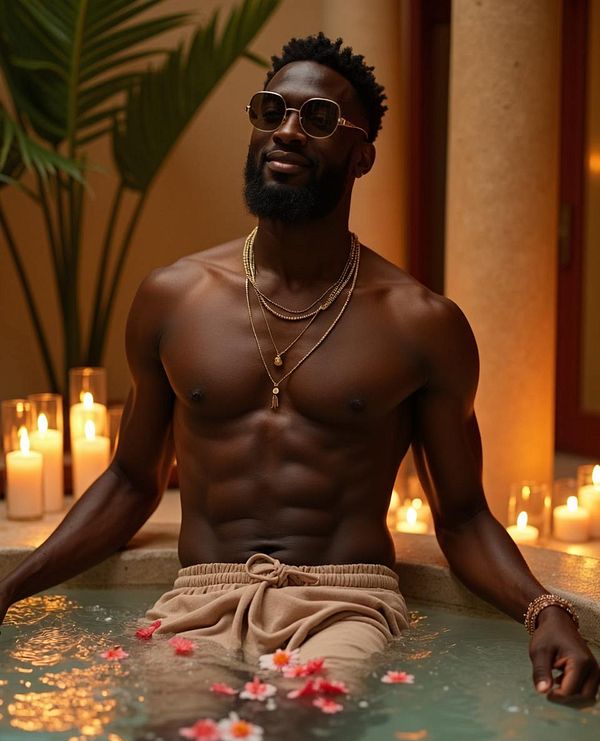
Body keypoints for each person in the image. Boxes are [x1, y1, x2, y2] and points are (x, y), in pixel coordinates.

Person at [0, 33, 597, 704]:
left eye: (317, 119)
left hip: (345, 600)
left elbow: (460, 515)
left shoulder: (421, 323)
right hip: (203, 592)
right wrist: (10, 587)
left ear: (360, 154)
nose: (286, 131)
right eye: (271, 110)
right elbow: (131, 481)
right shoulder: (173, 298)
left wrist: (546, 610)